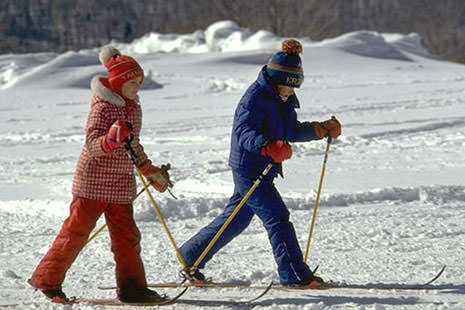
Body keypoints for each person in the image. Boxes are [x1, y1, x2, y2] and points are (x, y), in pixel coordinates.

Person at [179, 39, 341, 287]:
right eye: (287, 86)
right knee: (277, 217)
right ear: (276, 80)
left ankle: (191, 255)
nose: (290, 91)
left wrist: (319, 130)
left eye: (294, 86)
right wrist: (267, 146)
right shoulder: (255, 98)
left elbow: (290, 130)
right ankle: (294, 274)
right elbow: (244, 132)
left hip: (263, 168)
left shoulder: (282, 99)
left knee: (237, 219)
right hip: (248, 167)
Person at [28, 46, 171, 303]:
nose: (137, 88)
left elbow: (134, 145)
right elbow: (93, 144)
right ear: (118, 82)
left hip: (119, 183)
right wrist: (111, 139)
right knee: (75, 233)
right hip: (92, 183)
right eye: (132, 82)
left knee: (127, 237)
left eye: (139, 82)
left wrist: (149, 170)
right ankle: (47, 280)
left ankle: (132, 289)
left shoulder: (134, 109)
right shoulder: (102, 107)